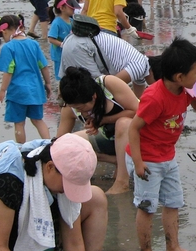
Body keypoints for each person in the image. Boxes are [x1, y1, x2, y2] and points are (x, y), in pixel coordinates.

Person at [126, 39, 196, 251]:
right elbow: (133, 128)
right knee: (147, 206)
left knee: (173, 202)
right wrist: (138, 163)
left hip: (167, 156)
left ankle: (172, 245)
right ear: (179, 77)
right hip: (147, 158)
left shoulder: (186, 88)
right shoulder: (154, 97)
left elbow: (195, 101)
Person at [57, 66, 140, 195]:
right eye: (75, 107)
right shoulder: (70, 108)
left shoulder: (109, 84)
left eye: (81, 107)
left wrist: (103, 120)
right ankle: (117, 160)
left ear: (94, 96)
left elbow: (137, 111)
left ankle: (122, 182)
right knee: (67, 143)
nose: (80, 111)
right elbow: (58, 141)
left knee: (123, 123)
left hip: (140, 137)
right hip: (111, 139)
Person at [0, 14, 52, 143]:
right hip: (35, 90)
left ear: (4, 30)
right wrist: (48, 84)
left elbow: (9, 71)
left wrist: (2, 91)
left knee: (19, 124)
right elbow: (44, 66)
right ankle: (49, 145)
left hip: (17, 93)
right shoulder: (33, 44)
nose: (4, 39)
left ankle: (21, 152)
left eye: (3, 36)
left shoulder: (8, 47)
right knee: (37, 120)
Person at [60, 19, 153, 95]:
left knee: (72, 86)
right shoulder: (140, 65)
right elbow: (111, 85)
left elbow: (138, 101)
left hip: (74, 41)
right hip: (80, 46)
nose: (155, 86)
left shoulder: (141, 67)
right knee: (92, 89)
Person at [48, 0, 80, 79]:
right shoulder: (57, 22)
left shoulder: (72, 21)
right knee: (61, 77)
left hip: (70, 53)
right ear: (62, 8)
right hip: (59, 54)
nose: (73, 10)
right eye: (71, 8)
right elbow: (51, 39)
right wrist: (63, 44)